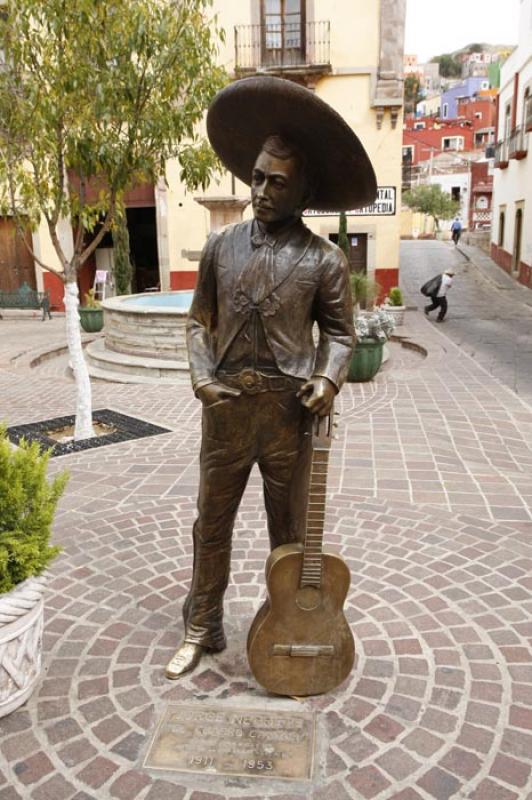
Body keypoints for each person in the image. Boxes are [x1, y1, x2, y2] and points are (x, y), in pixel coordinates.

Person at [164, 76, 377, 679]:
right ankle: (202, 625)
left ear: (301, 189)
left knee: (289, 533)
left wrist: (328, 380)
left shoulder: (325, 260)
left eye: (276, 182)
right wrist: (203, 379)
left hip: (289, 415)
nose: (259, 190)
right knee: (212, 523)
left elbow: (339, 335)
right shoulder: (219, 246)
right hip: (227, 409)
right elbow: (197, 323)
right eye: (256, 176)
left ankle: (282, 625)